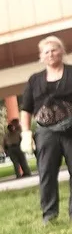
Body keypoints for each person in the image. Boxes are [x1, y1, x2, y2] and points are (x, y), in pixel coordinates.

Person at [19, 36, 72, 222]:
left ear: (62, 52)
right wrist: (26, 134)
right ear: (41, 56)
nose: (51, 54)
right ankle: (49, 215)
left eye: (54, 50)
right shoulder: (34, 80)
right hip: (46, 133)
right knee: (47, 174)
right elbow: (26, 109)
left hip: (71, 131)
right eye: (46, 52)